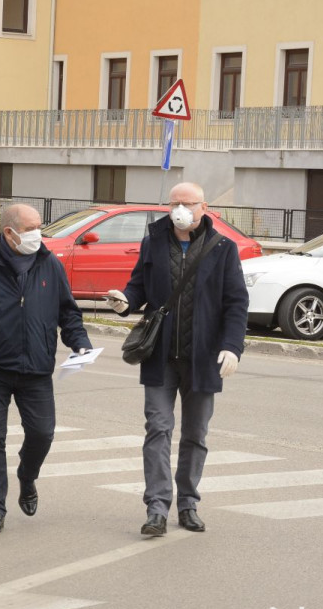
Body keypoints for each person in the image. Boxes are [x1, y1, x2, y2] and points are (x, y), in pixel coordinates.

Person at [105, 182, 248, 537]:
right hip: (160, 356)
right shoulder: (153, 240)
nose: (180, 209)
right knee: (158, 429)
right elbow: (139, 286)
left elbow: (236, 303)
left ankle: (188, 504)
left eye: (187, 203)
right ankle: (156, 507)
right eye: (174, 203)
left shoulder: (223, 249)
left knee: (195, 435)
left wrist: (232, 346)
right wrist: (125, 299)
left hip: (204, 357)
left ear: (203, 207)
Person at [0, 203, 93, 533]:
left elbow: (68, 312)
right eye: (32, 228)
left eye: (39, 226)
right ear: (10, 233)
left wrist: (81, 343)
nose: (39, 234)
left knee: (42, 433)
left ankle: (27, 476)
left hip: (36, 368)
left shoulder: (49, 263)